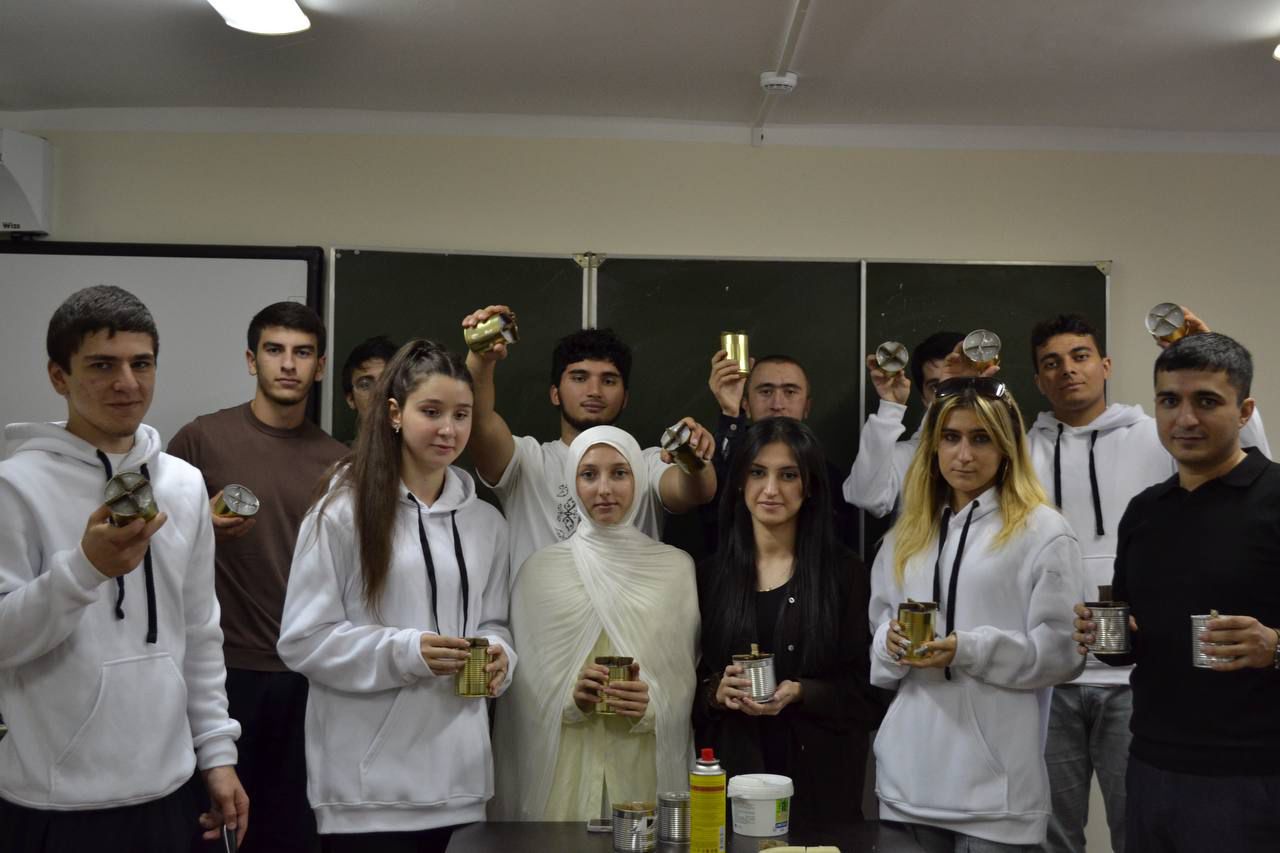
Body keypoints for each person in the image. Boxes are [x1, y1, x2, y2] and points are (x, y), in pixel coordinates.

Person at [0, 285, 247, 851]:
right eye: (102, 365)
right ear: (59, 376)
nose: (127, 383)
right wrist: (85, 569)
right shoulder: (14, 488)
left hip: (169, 790)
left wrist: (217, 754)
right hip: (52, 800)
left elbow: (200, 632)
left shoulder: (183, 484)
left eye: (142, 363)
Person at [1025, 312, 1269, 853]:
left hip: (1248, 767)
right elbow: (1139, 628)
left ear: (1244, 411)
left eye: (1206, 401)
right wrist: (1113, 638)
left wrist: (1275, 646)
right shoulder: (1145, 511)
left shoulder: (1269, 499)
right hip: (1147, 750)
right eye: (1170, 401)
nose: (1185, 419)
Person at [279, 340, 514, 853]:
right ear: (394, 414)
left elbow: (494, 622)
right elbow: (303, 640)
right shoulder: (340, 513)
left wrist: (501, 655)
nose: (448, 429)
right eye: (431, 412)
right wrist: (407, 652)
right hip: (366, 794)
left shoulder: (487, 524)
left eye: (461, 414)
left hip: (462, 783)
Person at [869, 377, 1085, 851]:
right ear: (933, 446)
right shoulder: (905, 535)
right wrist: (888, 643)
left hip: (998, 799)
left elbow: (1062, 654)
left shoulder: (1044, 532)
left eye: (981, 438)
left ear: (1007, 447)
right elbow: (879, 634)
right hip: (906, 784)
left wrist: (969, 649)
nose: (963, 455)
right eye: (951, 437)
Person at [168, 301, 347, 853]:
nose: (288, 364)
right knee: (214, 830)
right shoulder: (201, 440)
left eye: (302, 352)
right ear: (252, 360)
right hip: (222, 673)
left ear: (320, 366)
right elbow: (147, 551)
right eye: (274, 350)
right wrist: (202, 527)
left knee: (292, 833)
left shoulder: (341, 463)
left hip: (308, 675)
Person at [490, 426, 699, 821]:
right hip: (562, 774)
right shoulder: (539, 572)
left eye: (619, 473)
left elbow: (684, 679)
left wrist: (651, 704)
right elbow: (523, 690)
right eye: (589, 474)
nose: (604, 489)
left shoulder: (674, 569)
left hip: (642, 766)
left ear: (639, 478)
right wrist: (572, 699)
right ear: (573, 482)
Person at [694, 417, 884, 825]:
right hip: (734, 788)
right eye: (757, 473)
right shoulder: (708, 577)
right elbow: (682, 687)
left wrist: (803, 692)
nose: (770, 489)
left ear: (809, 485)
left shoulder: (846, 575)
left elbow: (871, 694)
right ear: (740, 482)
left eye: (788, 475)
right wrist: (715, 692)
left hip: (821, 789)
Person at [461, 304, 716, 577]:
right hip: (542, 605)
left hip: (630, 606)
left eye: (609, 381)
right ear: (555, 393)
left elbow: (697, 491)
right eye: (579, 378)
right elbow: (478, 421)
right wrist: (480, 359)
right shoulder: (526, 462)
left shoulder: (647, 464)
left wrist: (693, 455)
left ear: (625, 398)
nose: (594, 391)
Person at [704, 352, 858, 551]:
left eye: (790, 392)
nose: (777, 405)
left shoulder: (830, 478)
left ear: (807, 406)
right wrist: (730, 415)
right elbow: (716, 512)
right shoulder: (719, 461)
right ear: (746, 405)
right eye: (765, 392)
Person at [844, 331, 964, 518]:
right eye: (936, 387)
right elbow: (866, 497)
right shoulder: (908, 457)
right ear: (924, 398)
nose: (946, 395)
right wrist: (890, 408)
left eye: (957, 383)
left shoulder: (1005, 449)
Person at [341, 334, 399, 434]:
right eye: (365, 385)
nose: (379, 393)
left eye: (388, 382)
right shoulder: (333, 445)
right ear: (351, 399)